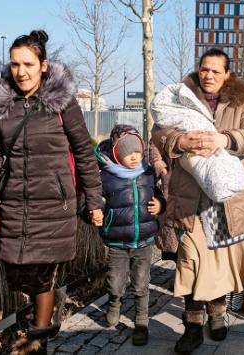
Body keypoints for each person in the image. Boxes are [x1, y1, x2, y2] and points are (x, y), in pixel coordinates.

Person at [0, 30, 104, 354]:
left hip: (54, 206)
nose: (21, 71)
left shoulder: (63, 103)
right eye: (15, 64)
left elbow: (85, 152)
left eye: (28, 64)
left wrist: (94, 201)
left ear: (43, 66)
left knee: (44, 276)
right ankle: (39, 320)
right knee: (21, 275)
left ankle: (36, 342)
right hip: (15, 205)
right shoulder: (2, 105)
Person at [151, 48, 244, 354]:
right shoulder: (181, 96)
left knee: (219, 261)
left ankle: (216, 314)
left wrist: (225, 139)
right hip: (190, 197)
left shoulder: (239, 102)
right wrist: (179, 141)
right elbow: (158, 132)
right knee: (191, 260)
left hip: (226, 198)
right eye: (204, 69)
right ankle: (192, 327)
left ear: (227, 74)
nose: (209, 75)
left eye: (216, 71)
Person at [94, 124, 164, 346]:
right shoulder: (105, 176)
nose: (134, 157)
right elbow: (92, 203)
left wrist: (161, 205)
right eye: (127, 153)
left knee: (142, 283)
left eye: (137, 152)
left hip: (144, 240)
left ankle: (141, 322)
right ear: (116, 153)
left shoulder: (148, 172)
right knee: (116, 282)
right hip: (116, 241)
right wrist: (93, 214)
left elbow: (160, 195)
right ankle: (114, 301)